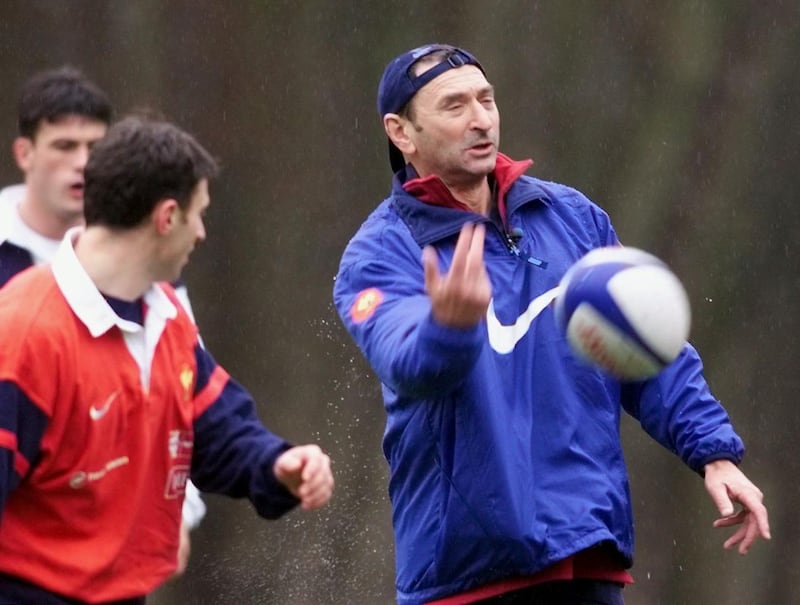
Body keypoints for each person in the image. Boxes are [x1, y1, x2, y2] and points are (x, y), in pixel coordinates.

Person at [332, 44, 770, 605]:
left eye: (486, 99)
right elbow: (407, 361)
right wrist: (449, 325)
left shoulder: (572, 217)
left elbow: (647, 349)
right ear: (402, 133)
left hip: (587, 553)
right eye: (454, 105)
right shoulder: (378, 254)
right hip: (469, 574)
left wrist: (713, 451)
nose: (480, 118)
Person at [0, 115, 334, 603]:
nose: (200, 233)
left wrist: (277, 463)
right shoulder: (25, 334)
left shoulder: (167, 316)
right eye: (198, 214)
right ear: (166, 217)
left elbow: (215, 431)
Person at [0, 65, 205, 575]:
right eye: (64, 146)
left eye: (94, 147)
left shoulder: (149, 264)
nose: (81, 164)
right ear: (24, 153)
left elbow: (181, 394)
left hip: (110, 538)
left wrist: (179, 508)